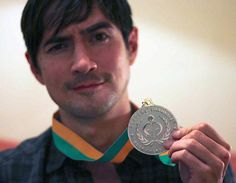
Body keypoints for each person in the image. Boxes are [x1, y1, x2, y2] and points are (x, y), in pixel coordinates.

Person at [0, 0, 235, 182]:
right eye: (58, 45)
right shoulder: (8, 171)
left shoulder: (204, 165)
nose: (83, 63)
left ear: (131, 45)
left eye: (99, 37)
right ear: (34, 67)